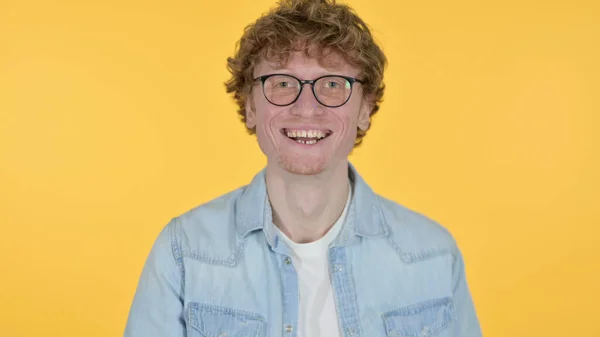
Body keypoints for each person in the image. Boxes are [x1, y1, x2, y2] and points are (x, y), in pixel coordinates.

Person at [124, 0, 482, 336]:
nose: (306, 107)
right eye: (281, 83)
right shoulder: (184, 251)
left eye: (331, 84)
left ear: (365, 109)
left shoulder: (433, 255)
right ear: (249, 107)